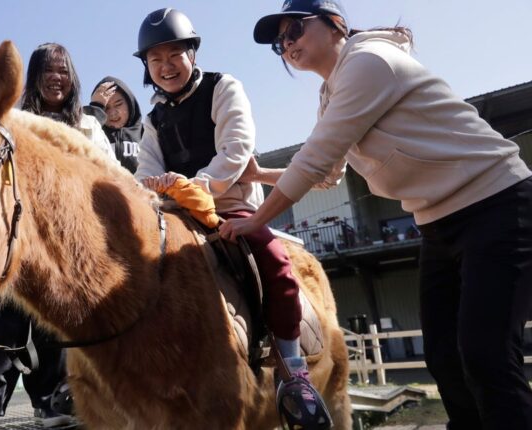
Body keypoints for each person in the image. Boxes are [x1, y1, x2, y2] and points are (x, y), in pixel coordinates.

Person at [222, 0, 532, 428]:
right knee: (444, 357)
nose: (287, 44)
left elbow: (314, 159)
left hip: (495, 203)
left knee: (487, 355)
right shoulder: (331, 94)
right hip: (437, 224)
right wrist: (261, 174)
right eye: (280, 43)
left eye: (294, 29)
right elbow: (329, 174)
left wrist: (257, 220)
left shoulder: (369, 61)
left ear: (335, 25)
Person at [132, 8, 330, 427]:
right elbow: (144, 172)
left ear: (192, 54)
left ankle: (292, 370)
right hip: (175, 213)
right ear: (147, 67)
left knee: (274, 261)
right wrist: (155, 188)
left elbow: (237, 149)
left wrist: (195, 185)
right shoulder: (152, 119)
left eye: (174, 55)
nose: (166, 66)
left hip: (228, 205)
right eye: (155, 59)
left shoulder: (224, 87)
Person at [0, 42, 114, 430]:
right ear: (33, 77)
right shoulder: (15, 119)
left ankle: (50, 402)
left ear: (73, 77)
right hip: (18, 236)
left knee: (53, 326)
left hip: (66, 243)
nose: (56, 78)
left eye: (63, 71)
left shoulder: (88, 125)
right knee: (1, 321)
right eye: (47, 71)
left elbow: (108, 174)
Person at [87, 76, 143, 173]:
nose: (113, 113)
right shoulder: (93, 135)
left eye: (118, 104)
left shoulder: (148, 133)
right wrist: (95, 108)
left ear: (130, 103)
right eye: (106, 108)